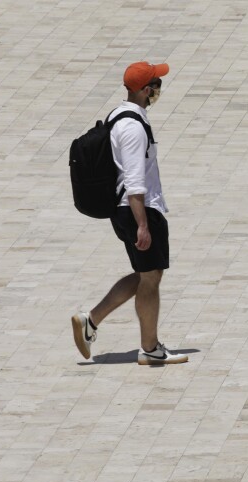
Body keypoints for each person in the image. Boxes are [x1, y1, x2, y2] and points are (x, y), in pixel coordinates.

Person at [71, 61, 187, 365]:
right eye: (156, 83)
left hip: (131, 209)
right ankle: (150, 347)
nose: (159, 88)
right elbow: (135, 181)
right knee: (151, 278)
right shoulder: (133, 127)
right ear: (146, 90)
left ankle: (91, 320)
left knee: (147, 274)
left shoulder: (120, 115)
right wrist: (143, 225)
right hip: (138, 210)